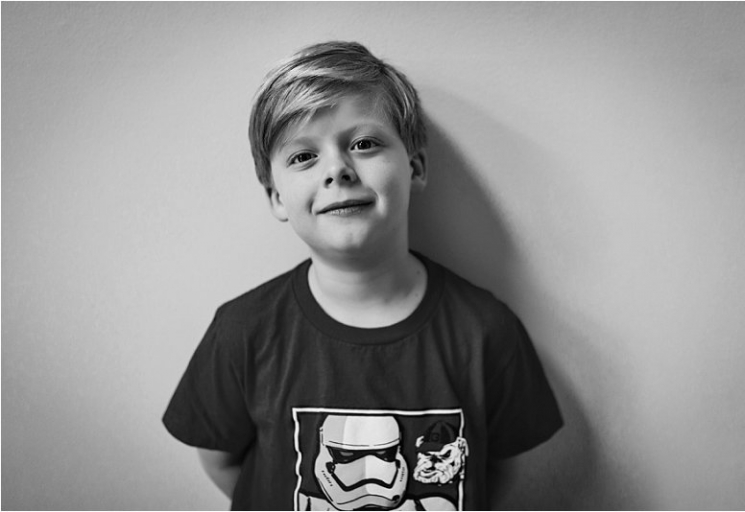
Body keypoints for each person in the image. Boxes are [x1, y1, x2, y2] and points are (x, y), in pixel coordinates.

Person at [163, 41, 563, 511]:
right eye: (303, 157)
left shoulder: (487, 331)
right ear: (275, 197)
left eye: (364, 144)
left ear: (415, 166)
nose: (337, 169)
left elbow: (500, 468)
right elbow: (220, 462)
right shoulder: (243, 331)